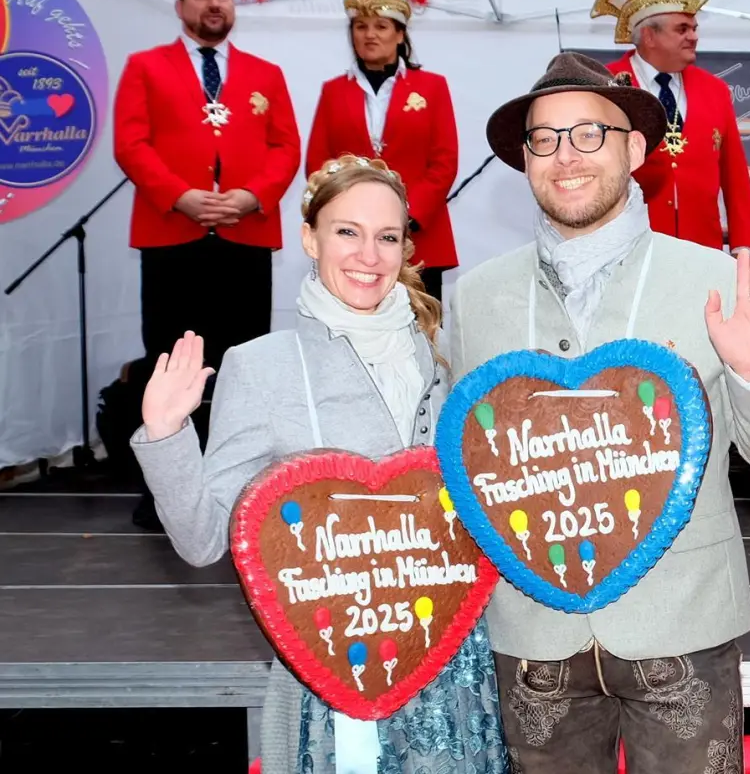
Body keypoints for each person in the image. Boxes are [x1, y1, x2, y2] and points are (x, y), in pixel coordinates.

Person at [459, 51, 750, 771]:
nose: (567, 156)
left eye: (590, 133)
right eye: (545, 139)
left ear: (636, 148)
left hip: (683, 622)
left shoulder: (716, 278)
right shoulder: (473, 297)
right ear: (525, 160)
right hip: (534, 636)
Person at [129, 155, 506, 773]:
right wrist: (168, 434)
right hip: (334, 676)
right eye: (347, 232)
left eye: (388, 237)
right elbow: (201, 540)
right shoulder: (261, 366)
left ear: (407, 246)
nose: (369, 255)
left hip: (457, 671)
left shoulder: (452, 356)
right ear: (310, 237)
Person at [114, 0, 299, 527]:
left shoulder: (266, 73)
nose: (213, 3)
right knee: (168, 362)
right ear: (180, 3)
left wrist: (249, 196)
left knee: (243, 364)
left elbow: (286, 148)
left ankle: (243, 488)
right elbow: (131, 143)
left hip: (244, 237)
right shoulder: (145, 68)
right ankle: (168, 491)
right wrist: (181, 196)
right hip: (173, 236)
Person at [305, 0, 466, 302]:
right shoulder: (332, 91)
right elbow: (318, 165)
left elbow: (444, 161)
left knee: (421, 335)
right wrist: (351, 220)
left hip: (421, 238)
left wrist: (405, 216)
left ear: (399, 34)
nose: (369, 35)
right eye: (360, 26)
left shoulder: (432, 87)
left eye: (380, 26)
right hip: (354, 244)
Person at [591, 0, 750, 256]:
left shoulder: (715, 90)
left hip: (700, 253)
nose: (693, 37)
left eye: (694, 28)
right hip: (624, 252)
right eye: (682, 29)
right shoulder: (606, 85)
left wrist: (744, 244)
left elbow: (735, 177)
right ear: (649, 36)